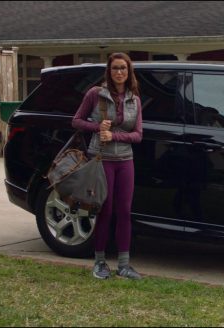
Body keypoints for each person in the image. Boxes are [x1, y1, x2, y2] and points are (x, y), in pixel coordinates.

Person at [72, 52, 143, 280]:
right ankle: (100, 262)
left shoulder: (134, 99)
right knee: (105, 210)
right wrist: (96, 127)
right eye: (115, 68)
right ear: (109, 71)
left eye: (123, 68)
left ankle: (124, 265)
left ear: (129, 71)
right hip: (101, 159)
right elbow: (76, 121)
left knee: (124, 211)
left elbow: (138, 135)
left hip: (125, 160)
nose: (119, 72)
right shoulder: (96, 94)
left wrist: (114, 136)